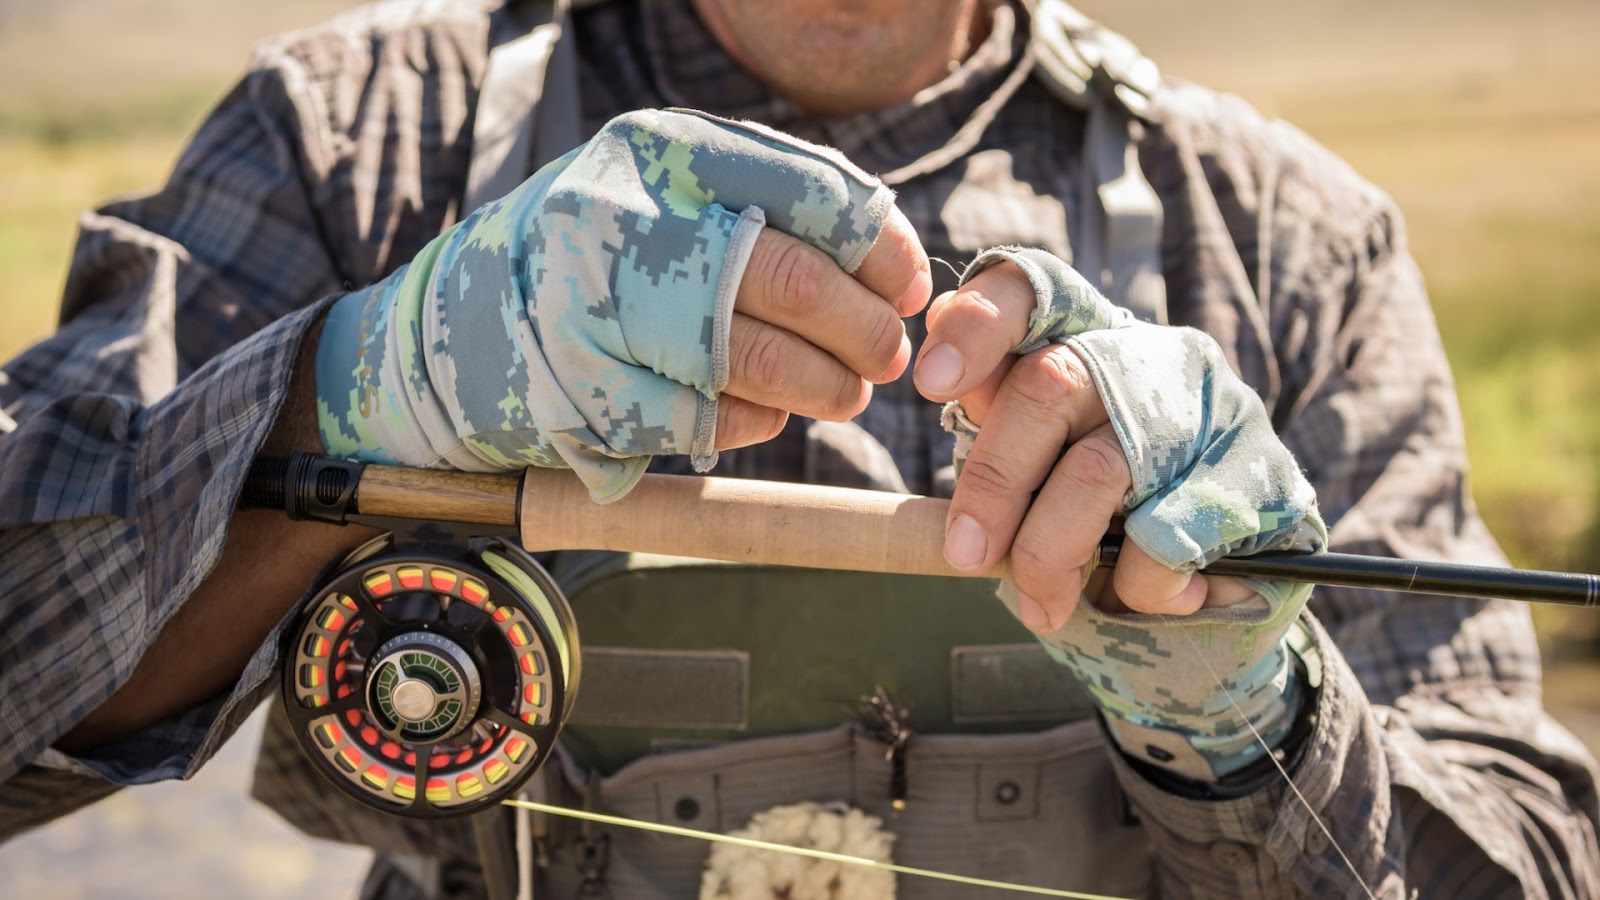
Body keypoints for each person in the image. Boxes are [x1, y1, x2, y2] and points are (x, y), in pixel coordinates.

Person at [0, 0, 1596, 896]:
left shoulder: (1289, 235)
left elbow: (1526, 859)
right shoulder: (354, 138)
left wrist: (1254, 721)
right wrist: (338, 392)